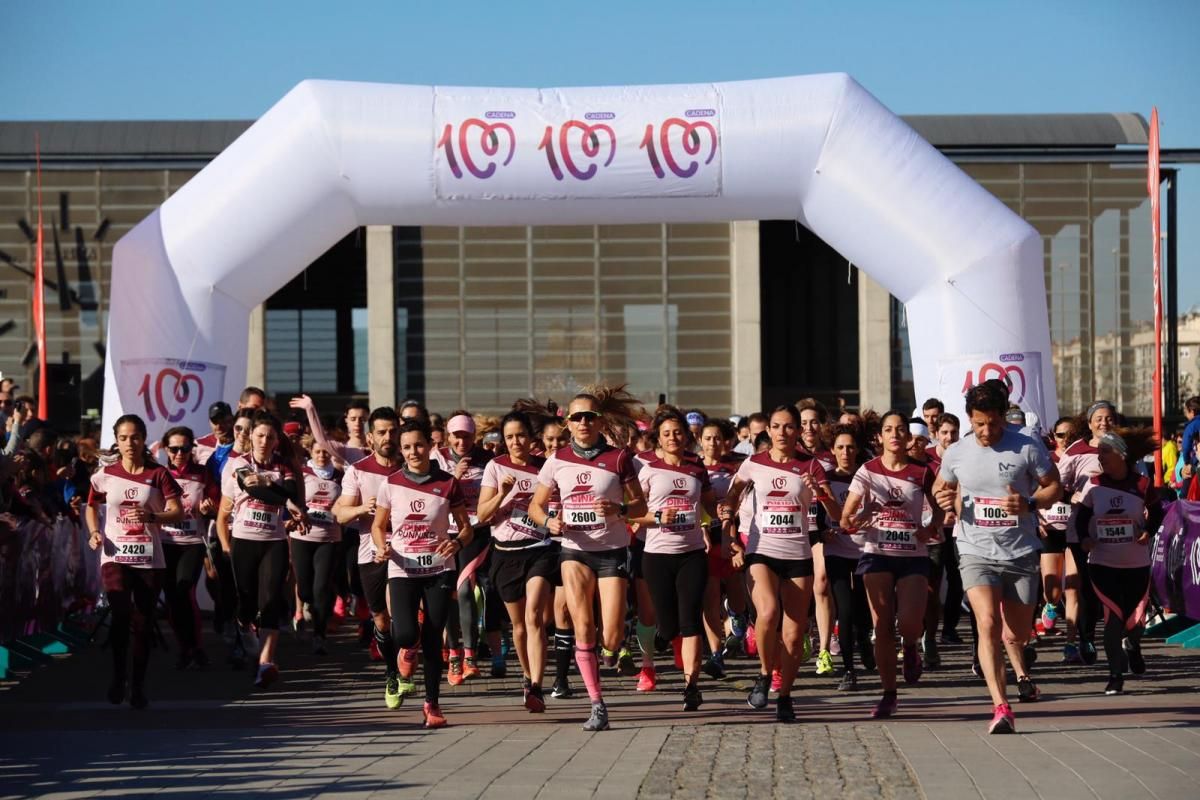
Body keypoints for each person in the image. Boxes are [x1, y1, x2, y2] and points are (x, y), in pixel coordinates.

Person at [934, 381, 1062, 734]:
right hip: (975, 550)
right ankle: (1001, 707)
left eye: (993, 423)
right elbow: (939, 487)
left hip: (1020, 552)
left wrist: (1030, 503)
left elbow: (1055, 486)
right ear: (969, 419)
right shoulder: (957, 452)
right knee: (987, 623)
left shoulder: (1026, 445)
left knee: (1017, 633)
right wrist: (944, 500)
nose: (986, 431)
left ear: (1003, 416)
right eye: (978, 424)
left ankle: (1015, 651)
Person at [528, 385, 648, 732]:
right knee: (583, 626)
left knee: (609, 636)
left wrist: (620, 509)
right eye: (577, 417)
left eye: (589, 417)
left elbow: (640, 506)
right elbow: (536, 505)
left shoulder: (619, 458)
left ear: (599, 422)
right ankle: (597, 703)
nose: (583, 422)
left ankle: (616, 645)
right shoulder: (557, 460)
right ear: (568, 423)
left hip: (611, 551)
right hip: (574, 550)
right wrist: (549, 521)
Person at [718, 404, 840, 722]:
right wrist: (727, 526)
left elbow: (838, 515)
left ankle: (785, 694)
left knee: (794, 635)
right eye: (776, 426)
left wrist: (821, 495)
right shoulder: (753, 463)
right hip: (761, 551)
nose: (782, 433)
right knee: (768, 611)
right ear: (768, 431)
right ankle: (762, 674)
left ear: (798, 431)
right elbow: (731, 496)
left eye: (789, 427)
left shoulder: (811, 465)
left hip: (798, 554)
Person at [372, 418, 473, 729]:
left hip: (439, 569)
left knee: (433, 637)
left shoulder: (448, 483)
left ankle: (432, 705)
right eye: (406, 447)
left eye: (418, 445)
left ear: (430, 446)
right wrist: (381, 547)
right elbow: (378, 526)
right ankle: (407, 649)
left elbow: (467, 528)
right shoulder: (390, 484)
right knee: (404, 634)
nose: (413, 451)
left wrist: (456, 542)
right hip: (402, 568)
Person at [841, 411, 943, 718]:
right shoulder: (867, 471)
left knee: (910, 622)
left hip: (912, 555)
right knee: (882, 626)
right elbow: (846, 518)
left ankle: (911, 646)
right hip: (876, 553)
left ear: (909, 438)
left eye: (900, 430)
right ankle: (889, 693)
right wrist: (860, 517)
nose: (895, 434)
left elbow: (939, 511)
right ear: (880, 437)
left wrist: (931, 527)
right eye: (889, 430)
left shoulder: (922, 471)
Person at [86, 414, 184, 708]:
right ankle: (118, 678)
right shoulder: (106, 474)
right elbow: (92, 505)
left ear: (143, 439)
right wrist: (94, 532)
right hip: (115, 555)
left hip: (148, 559)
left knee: (143, 624)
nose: (130, 443)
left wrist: (153, 516)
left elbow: (177, 511)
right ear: (117, 441)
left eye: (136, 437)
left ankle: (137, 686)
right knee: (120, 616)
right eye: (124, 438)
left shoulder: (159, 474)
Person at [628, 407, 718, 711]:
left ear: (686, 435)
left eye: (677, 432)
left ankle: (692, 685)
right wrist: (656, 516)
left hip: (691, 554)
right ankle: (665, 640)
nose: (672, 437)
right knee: (666, 626)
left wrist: (722, 516)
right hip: (656, 555)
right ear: (658, 437)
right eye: (666, 433)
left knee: (691, 619)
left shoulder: (697, 467)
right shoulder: (647, 468)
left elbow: (710, 505)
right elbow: (633, 512)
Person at [477, 411, 559, 712]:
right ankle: (527, 676)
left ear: (531, 438)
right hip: (505, 553)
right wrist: (502, 494)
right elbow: (483, 515)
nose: (515, 442)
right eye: (509, 437)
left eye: (521, 435)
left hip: (539, 548)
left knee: (534, 615)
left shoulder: (545, 467)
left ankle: (537, 685)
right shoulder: (495, 467)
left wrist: (554, 519)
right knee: (519, 624)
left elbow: (557, 502)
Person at [216, 412, 305, 688]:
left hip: (273, 542)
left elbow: (291, 492)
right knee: (246, 602)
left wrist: (276, 488)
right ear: (250, 437)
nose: (264, 441)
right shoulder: (239, 465)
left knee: (270, 601)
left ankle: (266, 662)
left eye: (270, 436)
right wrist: (285, 498)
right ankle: (244, 627)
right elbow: (260, 493)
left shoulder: (284, 466)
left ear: (277, 439)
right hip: (243, 539)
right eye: (259, 435)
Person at [1074, 429, 1163, 695]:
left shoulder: (1142, 485)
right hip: (1103, 563)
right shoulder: (1094, 484)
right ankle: (1114, 675)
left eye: (1105, 451)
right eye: (1098, 451)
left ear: (1121, 455)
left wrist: (1148, 529)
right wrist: (1085, 538)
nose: (1099, 457)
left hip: (1135, 563)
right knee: (1113, 619)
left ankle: (1133, 645)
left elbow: (1157, 513)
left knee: (1135, 622)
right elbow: (1081, 517)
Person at [333, 407, 404, 705]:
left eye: (393, 431)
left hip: (408, 552)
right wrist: (363, 509)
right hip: (370, 553)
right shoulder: (358, 470)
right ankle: (392, 673)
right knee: (382, 620)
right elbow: (339, 513)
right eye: (382, 432)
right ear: (371, 437)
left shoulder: (412, 466)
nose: (389, 437)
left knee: (401, 612)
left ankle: (408, 665)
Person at [433, 411, 497, 682]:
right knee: (449, 594)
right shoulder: (437, 459)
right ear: (448, 436)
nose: (461, 442)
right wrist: (453, 478)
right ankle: (454, 655)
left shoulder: (488, 460)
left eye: (467, 436)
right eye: (456, 437)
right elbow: (431, 497)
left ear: (475, 436)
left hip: (474, 533)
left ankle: (470, 655)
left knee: (465, 590)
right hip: (444, 535)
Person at [1057, 400, 1117, 665]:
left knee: (1115, 584)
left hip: (1117, 522)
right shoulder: (1076, 450)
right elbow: (1057, 484)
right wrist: (1073, 496)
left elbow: (1139, 479)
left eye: (1109, 418)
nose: (1104, 422)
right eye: (1099, 418)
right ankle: (1087, 637)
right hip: (1083, 524)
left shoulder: (1124, 446)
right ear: (1090, 422)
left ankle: (1120, 639)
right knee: (1087, 586)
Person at [160, 425, 219, 670]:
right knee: (173, 599)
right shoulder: (159, 473)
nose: (179, 454)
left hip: (192, 543)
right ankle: (185, 647)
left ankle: (197, 647)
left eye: (184, 448)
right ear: (166, 449)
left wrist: (210, 507)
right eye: (174, 449)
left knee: (186, 591)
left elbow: (217, 501)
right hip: (165, 543)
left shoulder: (202, 473)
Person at [822, 425, 874, 690]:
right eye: (840, 447)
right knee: (844, 610)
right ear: (832, 450)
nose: (845, 452)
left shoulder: (868, 476)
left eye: (850, 447)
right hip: (837, 551)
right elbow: (816, 513)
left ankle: (865, 639)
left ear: (858, 450)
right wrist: (823, 532)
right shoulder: (826, 478)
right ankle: (848, 670)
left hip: (866, 551)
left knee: (863, 611)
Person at [292, 440, 342, 655]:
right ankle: (309, 606)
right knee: (305, 589)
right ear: (310, 452)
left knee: (321, 587)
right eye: (317, 451)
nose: (322, 455)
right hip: (302, 537)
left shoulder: (340, 476)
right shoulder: (302, 472)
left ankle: (319, 635)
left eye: (325, 452)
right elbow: (291, 500)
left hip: (329, 539)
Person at [1038, 417, 1079, 636]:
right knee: (1052, 590)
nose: (1066, 439)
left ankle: (1072, 643)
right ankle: (1051, 605)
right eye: (1061, 435)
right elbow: (1032, 491)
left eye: (1071, 435)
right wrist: (1037, 518)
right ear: (1054, 438)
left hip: (1074, 530)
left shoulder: (1082, 458)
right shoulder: (1046, 460)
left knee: (1073, 589)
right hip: (1051, 528)